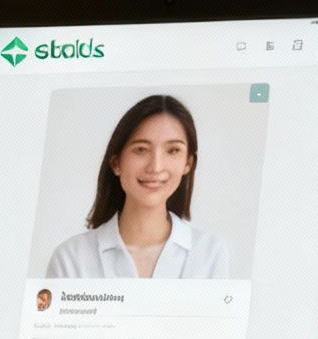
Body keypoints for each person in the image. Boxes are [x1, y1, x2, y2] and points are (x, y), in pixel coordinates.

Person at [46, 95, 230, 280]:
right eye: (141, 149)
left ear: (188, 164)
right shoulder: (70, 259)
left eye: (173, 150)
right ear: (116, 163)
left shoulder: (210, 253)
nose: (156, 167)